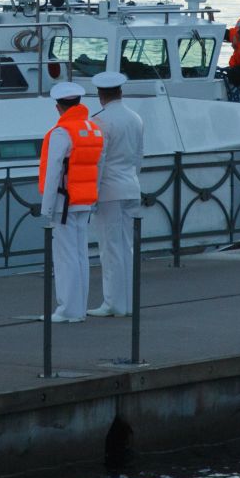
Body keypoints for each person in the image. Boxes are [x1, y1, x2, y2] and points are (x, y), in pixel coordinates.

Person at [39, 81, 103, 322]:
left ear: (58, 107)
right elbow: (98, 166)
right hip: (84, 200)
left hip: (63, 202)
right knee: (80, 255)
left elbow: (54, 171)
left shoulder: (61, 132)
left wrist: (47, 207)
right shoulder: (93, 129)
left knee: (65, 257)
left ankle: (68, 309)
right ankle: (79, 307)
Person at [88, 72, 145, 317]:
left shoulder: (100, 121)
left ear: (101, 95)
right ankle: (129, 302)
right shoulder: (135, 118)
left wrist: (93, 192)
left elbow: (98, 161)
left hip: (109, 190)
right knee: (127, 247)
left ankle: (113, 303)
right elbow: (139, 157)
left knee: (110, 248)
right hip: (131, 186)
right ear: (120, 92)